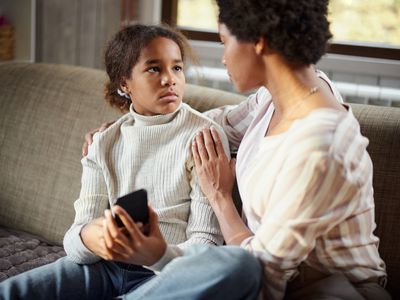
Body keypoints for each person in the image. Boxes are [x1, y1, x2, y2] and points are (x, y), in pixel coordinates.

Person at [82, 1, 390, 299]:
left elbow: (261, 274)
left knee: (230, 269)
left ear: (258, 40)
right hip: (257, 274)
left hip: (319, 289)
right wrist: (129, 125)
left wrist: (220, 198)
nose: (223, 59)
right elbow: (210, 124)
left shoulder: (320, 148)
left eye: (224, 42)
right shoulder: (278, 98)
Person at [0, 24, 261, 300]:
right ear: (125, 83)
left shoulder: (203, 136)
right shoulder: (104, 142)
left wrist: (156, 254)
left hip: (166, 272)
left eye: (177, 68)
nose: (170, 79)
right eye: (154, 68)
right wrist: (91, 237)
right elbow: (74, 241)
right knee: (12, 291)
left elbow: (205, 243)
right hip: (105, 267)